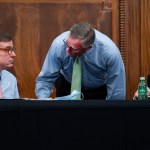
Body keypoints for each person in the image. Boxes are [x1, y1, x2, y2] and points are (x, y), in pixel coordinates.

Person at [35, 22, 126, 100]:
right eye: (67, 44)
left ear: (88, 47)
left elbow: (117, 90)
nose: (67, 50)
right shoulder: (58, 44)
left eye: (72, 49)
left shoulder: (109, 52)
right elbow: (46, 79)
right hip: (66, 86)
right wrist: (43, 102)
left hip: (98, 91)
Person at [0, 32, 19, 99]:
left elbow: (16, 108)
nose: (13, 54)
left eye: (12, 49)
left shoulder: (11, 79)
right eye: (8, 49)